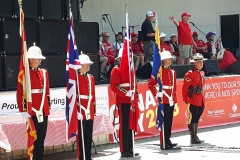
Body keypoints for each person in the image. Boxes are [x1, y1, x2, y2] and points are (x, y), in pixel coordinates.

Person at [16, 45, 51, 160]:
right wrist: (23, 111)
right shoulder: (24, 73)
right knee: (34, 141)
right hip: (32, 112)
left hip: (43, 111)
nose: (40, 60)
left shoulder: (44, 72)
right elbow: (20, 93)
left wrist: (47, 109)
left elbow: (46, 93)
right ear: (30, 59)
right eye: (37, 58)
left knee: (41, 140)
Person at [110, 48, 139, 158]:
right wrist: (126, 93)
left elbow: (135, 84)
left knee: (131, 124)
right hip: (123, 100)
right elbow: (114, 86)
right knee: (125, 125)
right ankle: (124, 149)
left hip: (132, 100)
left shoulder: (132, 70)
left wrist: (136, 95)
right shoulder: (116, 70)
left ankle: (131, 148)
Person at [148, 50, 178, 150]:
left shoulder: (172, 72)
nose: (169, 61)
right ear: (162, 60)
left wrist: (175, 100)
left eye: (170, 59)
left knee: (169, 121)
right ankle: (163, 142)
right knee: (163, 121)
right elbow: (150, 84)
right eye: (167, 59)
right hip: (163, 99)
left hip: (170, 99)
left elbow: (174, 88)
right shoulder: (158, 71)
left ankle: (168, 140)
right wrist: (157, 93)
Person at [182, 53, 206, 144]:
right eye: (199, 62)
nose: (201, 63)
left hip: (201, 99)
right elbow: (185, 88)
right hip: (193, 99)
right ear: (194, 63)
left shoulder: (202, 72)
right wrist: (186, 99)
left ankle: (196, 135)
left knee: (197, 118)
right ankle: (192, 137)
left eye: (201, 62)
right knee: (192, 118)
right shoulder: (190, 74)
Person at [76, 54, 96, 160]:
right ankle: (81, 157)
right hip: (80, 110)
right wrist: (76, 111)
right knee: (81, 137)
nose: (88, 67)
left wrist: (93, 110)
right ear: (79, 65)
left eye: (88, 65)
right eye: (85, 65)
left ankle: (88, 156)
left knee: (88, 136)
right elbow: (72, 97)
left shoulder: (90, 78)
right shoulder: (75, 78)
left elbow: (93, 96)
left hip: (89, 110)